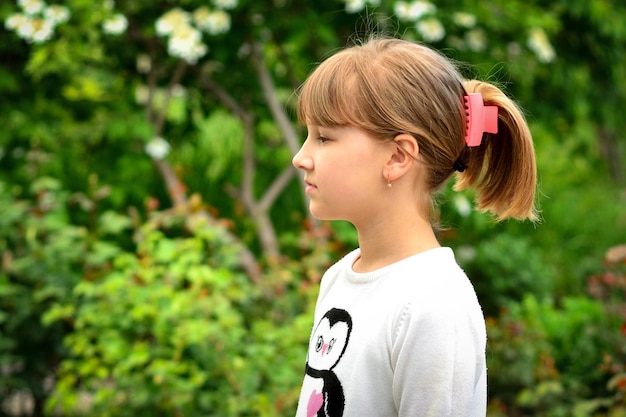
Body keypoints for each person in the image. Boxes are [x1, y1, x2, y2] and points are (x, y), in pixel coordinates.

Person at [291, 36, 537, 417]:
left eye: (323, 137)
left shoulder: (433, 304)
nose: (300, 157)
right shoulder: (339, 278)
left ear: (397, 157)